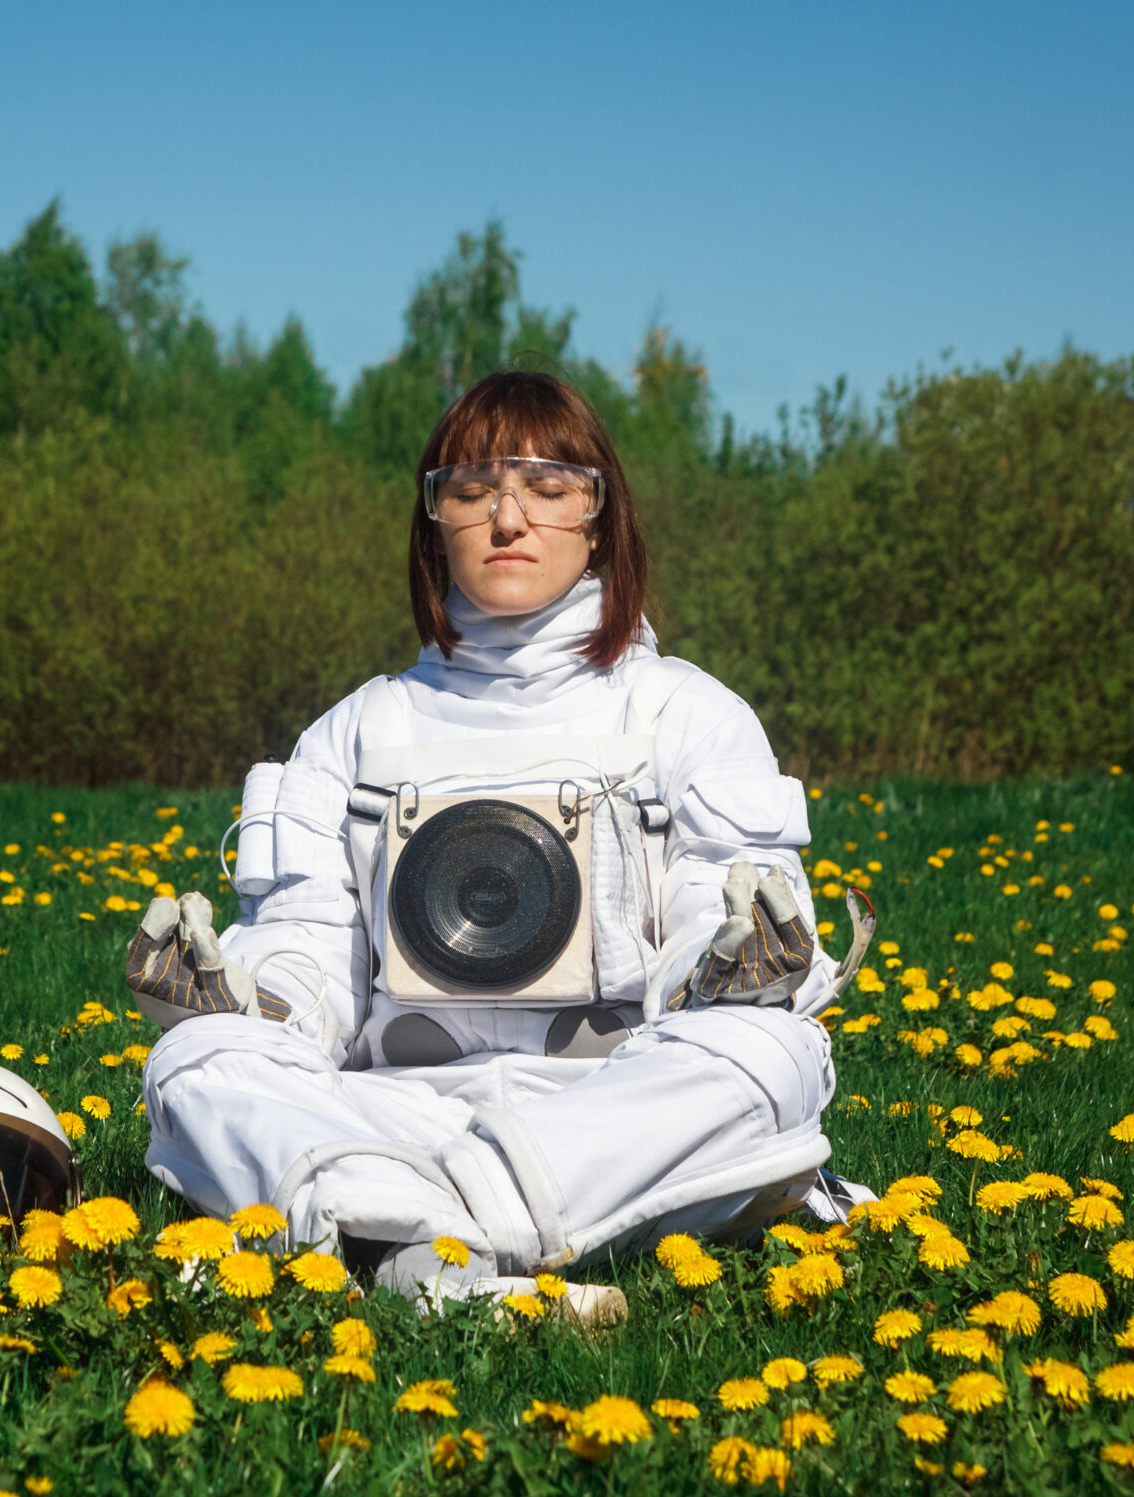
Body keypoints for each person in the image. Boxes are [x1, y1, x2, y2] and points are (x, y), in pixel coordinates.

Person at [129, 370, 868, 1313]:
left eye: (549, 489)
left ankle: (398, 1236)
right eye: (473, 491)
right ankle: (481, 1240)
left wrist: (739, 968)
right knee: (193, 1060)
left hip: (614, 1107)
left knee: (770, 1056)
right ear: (435, 522)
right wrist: (238, 997)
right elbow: (309, 955)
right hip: (399, 1108)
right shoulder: (356, 730)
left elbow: (715, 926)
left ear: (600, 518)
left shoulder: (689, 712)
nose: (508, 519)